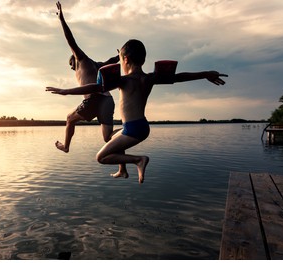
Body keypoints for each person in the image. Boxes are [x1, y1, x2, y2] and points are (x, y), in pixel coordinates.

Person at [46, 39, 228, 183]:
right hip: (140, 127)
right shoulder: (149, 78)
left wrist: (66, 91)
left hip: (133, 130)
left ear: (125, 60)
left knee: (101, 157)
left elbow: (94, 87)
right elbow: (178, 77)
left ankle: (138, 160)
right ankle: (122, 170)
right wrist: (205, 74)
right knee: (110, 137)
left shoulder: (124, 81)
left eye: (122, 60)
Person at [54, 1, 119, 154]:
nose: (71, 68)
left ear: (74, 59)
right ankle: (123, 164)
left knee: (69, 119)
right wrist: (120, 55)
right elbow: (111, 61)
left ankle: (66, 147)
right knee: (108, 137)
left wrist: (62, 20)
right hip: (107, 99)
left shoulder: (81, 60)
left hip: (93, 100)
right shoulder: (96, 64)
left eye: (71, 64)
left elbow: (71, 41)